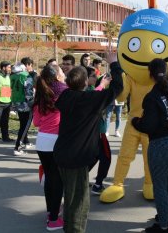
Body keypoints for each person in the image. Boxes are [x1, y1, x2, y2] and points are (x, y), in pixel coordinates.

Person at [53, 51, 123, 233]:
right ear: (85, 82)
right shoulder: (90, 99)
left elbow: (65, 88)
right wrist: (114, 63)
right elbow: (118, 88)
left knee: (70, 196)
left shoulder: (65, 96)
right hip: (77, 158)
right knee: (79, 201)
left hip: (62, 153)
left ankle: (69, 228)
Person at [132, 58, 168, 233]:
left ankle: (163, 226)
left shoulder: (152, 97)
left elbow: (147, 126)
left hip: (160, 144)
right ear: (167, 69)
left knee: (160, 186)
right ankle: (167, 218)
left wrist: (135, 122)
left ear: (150, 74)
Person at [33, 64, 68, 231]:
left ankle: (50, 212)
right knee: (58, 181)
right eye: (61, 71)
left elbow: (37, 122)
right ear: (57, 76)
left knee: (49, 178)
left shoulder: (41, 95)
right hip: (56, 141)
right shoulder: (63, 92)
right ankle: (53, 220)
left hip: (41, 141)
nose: (63, 73)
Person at [85, 66, 112, 195]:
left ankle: (82, 179)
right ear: (85, 78)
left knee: (94, 156)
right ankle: (98, 184)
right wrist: (102, 85)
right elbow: (95, 98)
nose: (96, 78)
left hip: (94, 131)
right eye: (93, 76)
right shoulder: (89, 92)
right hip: (98, 132)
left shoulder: (90, 89)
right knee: (106, 157)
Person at [11, 63, 34, 156]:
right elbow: (28, 92)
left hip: (17, 102)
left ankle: (26, 142)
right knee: (25, 125)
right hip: (25, 104)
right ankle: (18, 146)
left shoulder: (12, 77)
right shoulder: (26, 76)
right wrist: (32, 103)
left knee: (22, 123)